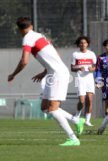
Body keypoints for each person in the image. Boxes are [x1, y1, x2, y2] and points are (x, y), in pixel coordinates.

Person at [8, 17, 85, 146]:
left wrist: (13, 74)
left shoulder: (27, 38)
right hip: (53, 73)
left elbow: (24, 61)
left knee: (53, 109)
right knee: (44, 108)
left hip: (57, 74)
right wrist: (45, 72)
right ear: (31, 26)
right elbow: (55, 55)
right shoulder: (39, 36)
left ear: (20, 30)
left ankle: (73, 138)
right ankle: (76, 121)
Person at [71, 36, 97, 126]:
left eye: (85, 43)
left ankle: (87, 120)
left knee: (89, 100)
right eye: (81, 43)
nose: (83, 44)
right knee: (82, 101)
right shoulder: (75, 54)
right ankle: (77, 116)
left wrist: (92, 69)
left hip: (89, 79)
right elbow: (72, 68)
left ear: (87, 44)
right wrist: (78, 67)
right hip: (79, 79)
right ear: (79, 44)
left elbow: (95, 67)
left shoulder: (92, 54)